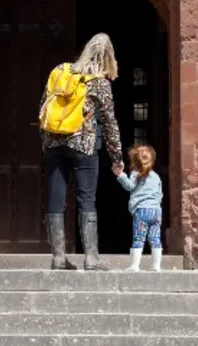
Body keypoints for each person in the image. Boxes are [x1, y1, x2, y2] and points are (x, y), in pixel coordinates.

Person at [40, 33, 124, 271]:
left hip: (54, 144)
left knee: (56, 198)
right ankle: (91, 258)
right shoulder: (100, 82)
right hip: (84, 146)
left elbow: (43, 107)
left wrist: (46, 144)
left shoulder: (60, 72)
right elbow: (109, 123)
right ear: (108, 58)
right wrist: (117, 158)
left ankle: (58, 257)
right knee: (86, 198)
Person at [116, 144, 164, 272]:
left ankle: (135, 265)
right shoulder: (156, 176)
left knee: (139, 237)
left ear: (134, 161)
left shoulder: (136, 174)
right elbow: (160, 194)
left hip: (142, 210)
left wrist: (121, 175)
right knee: (155, 238)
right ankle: (156, 265)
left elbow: (129, 186)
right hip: (156, 211)